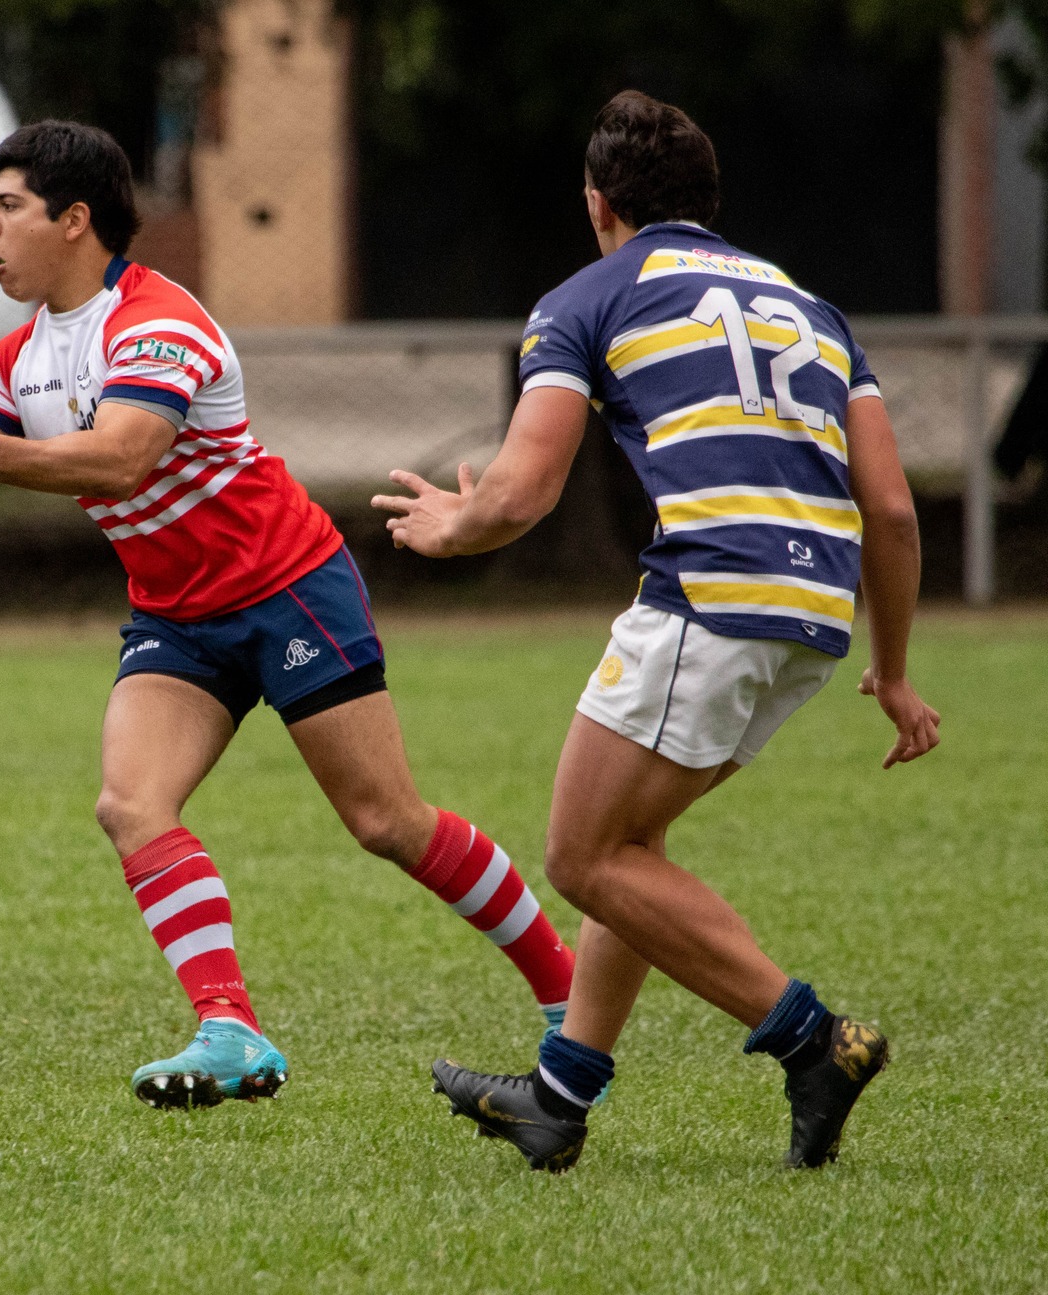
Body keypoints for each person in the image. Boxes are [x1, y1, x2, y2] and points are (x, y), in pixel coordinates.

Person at [0, 121, 577, 1109]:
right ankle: (229, 1028)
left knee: (385, 820)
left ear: (73, 219)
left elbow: (121, 453)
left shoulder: (157, 321)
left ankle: (567, 989)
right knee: (128, 803)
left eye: (6, 207)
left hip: (285, 584)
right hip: (175, 614)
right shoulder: (13, 362)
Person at [375, 91, 940, 1172]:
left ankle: (816, 1039)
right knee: (630, 848)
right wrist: (896, 669)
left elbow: (523, 487)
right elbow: (896, 511)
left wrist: (453, 528)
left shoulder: (589, 295)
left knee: (583, 855)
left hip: (709, 598)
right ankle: (557, 1095)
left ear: (598, 204)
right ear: (706, 203)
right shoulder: (809, 307)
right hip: (811, 620)